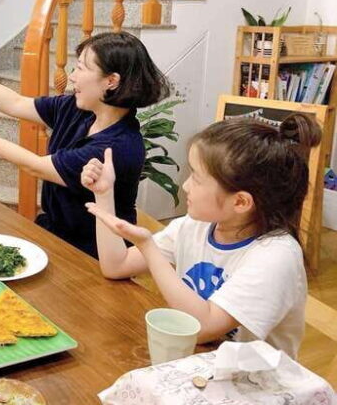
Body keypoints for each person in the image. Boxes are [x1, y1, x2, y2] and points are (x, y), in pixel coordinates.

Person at [82, 113, 321, 357]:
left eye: (196, 178)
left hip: (257, 386)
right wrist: (104, 195)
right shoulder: (195, 226)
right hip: (201, 365)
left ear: (240, 201)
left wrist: (148, 247)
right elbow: (115, 266)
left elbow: (203, 329)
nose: (185, 186)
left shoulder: (276, 257)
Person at [0, 31, 169, 258]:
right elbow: (16, 103)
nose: (72, 77)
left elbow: (36, 166)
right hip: (54, 232)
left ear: (111, 81)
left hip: (92, 253)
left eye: (81, 68)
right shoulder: (79, 108)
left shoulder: (117, 147)